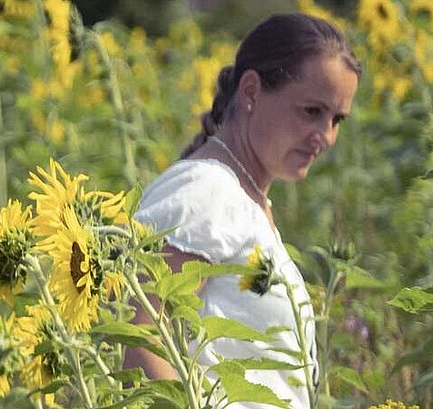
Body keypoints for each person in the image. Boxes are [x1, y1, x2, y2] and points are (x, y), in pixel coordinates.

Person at [128, 13, 360, 408]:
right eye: (311, 111)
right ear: (251, 91)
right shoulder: (205, 192)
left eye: (336, 119)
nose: (326, 136)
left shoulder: (241, 199)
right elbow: (136, 339)